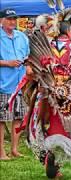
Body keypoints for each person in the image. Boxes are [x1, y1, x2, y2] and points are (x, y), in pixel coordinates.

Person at [9, 2, 71, 178]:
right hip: (69, 102)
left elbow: (30, 71)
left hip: (45, 100)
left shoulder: (46, 49)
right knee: (63, 132)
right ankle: (53, 163)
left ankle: (49, 160)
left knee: (42, 131)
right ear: (69, 31)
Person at [0, 9, 29, 160]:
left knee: (19, 117)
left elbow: (28, 56)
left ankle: (14, 149)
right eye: (9, 19)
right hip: (3, 84)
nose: (13, 21)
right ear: (1, 20)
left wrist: (28, 66)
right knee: (2, 119)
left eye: (14, 19)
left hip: (21, 84)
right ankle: (1, 152)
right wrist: (7, 63)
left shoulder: (22, 37)